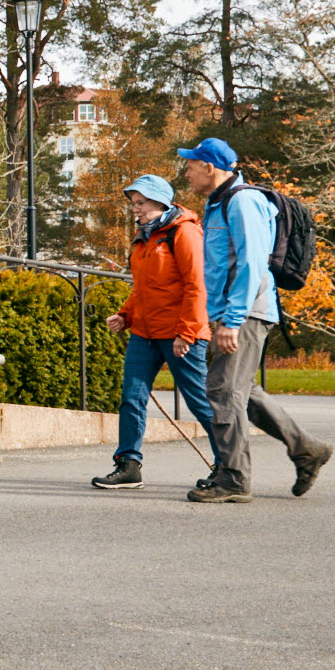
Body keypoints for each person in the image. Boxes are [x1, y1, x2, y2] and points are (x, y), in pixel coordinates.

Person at [180, 135, 333, 503]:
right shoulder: (219, 202)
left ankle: (233, 479)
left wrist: (233, 320)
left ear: (209, 167)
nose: (186, 174)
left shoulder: (242, 201)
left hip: (246, 311)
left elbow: (252, 264)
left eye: (190, 166)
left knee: (222, 390)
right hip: (237, 310)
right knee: (242, 391)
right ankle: (307, 449)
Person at [94, 173, 216, 489]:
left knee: (199, 401)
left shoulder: (184, 232)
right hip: (145, 334)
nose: (136, 208)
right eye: (134, 203)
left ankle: (229, 465)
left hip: (180, 334)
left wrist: (187, 332)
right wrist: (125, 315)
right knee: (131, 399)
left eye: (142, 202)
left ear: (160, 202)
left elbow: (196, 286)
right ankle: (128, 466)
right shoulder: (143, 237)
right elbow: (144, 289)